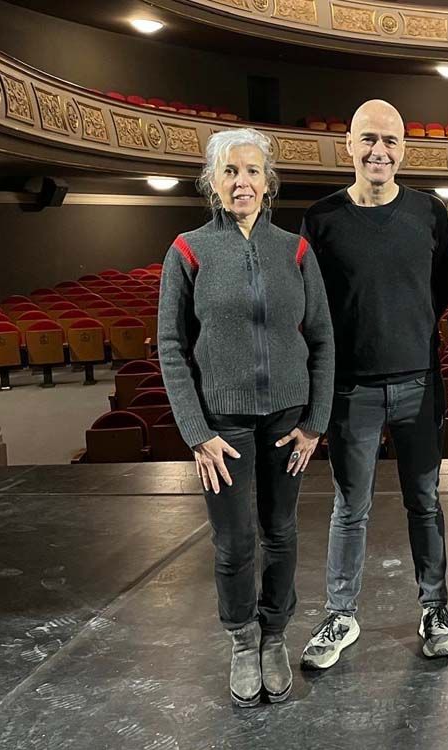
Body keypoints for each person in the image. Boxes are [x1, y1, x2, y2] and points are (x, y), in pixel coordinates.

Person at [158, 127, 334, 707]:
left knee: (280, 533)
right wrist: (196, 432)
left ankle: (276, 635)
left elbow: (323, 338)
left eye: (252, 171)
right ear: (212, 182)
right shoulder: (187, 249)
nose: (242, 181)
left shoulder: (296, 250)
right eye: (230, 171)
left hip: (287, 418)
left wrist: (315, 422)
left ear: (268, 182)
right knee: (234, 541)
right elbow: (170, 347)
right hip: (222, 426)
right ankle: (242, 638)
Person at [299, 99, 448, 668]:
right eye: (368, 139)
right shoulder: (321, 219)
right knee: (350, 507)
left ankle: (434, 606)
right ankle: (341, 614)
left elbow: (441, 291)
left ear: (404, 150)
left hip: (419, 382)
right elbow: (311, 309)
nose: (379, 151)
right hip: (351, 391)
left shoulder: (431, 213)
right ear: (348, 144)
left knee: (425, 501)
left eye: (390, 141)